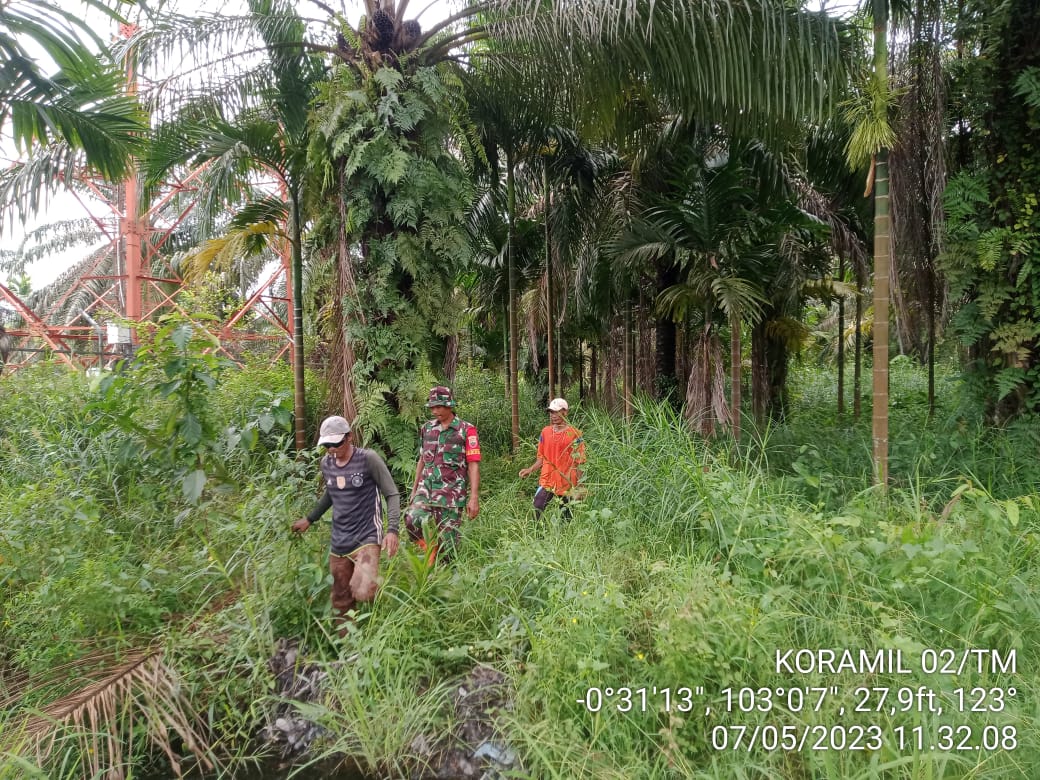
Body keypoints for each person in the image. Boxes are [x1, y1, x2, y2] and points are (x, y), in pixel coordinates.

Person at [292, 415, 400, 635]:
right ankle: (348, 646)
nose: (332, 449)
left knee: (363, 591)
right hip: (340, 540)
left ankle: (382, 612)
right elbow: (330, 495)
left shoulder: (368, 459)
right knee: (341, 598)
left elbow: (392, 493)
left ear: (349, 437)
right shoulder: (327, 464)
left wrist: (392, 530)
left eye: (337, 443)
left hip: (367, 535)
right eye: (327, 445)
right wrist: (309, 519)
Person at [404, 386, 481, 562]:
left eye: (439, 406)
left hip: (451, 495)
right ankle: (430, 551)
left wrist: (474, 497)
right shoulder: (427, 429)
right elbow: (422, 460)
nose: (435, 410)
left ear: (449, 405)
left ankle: (445, 580)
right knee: (411, 520)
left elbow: (473, 464)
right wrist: (414, 489)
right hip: (427, 489)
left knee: (449, 546)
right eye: (432, 407)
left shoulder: (466, 430)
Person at [518, 397, 586, 519]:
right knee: (537, 508)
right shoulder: (545, 432)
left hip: (567, 481)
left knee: (566, 516)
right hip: (547, 480)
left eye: (557, 412)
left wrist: (580, 486)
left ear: (565, 412)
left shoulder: (574, 433)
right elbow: (541, 458)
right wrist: (530, 469)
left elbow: (579, 461)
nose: (553, 415)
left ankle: (563, 538)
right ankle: (537, 536)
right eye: (551, 412)